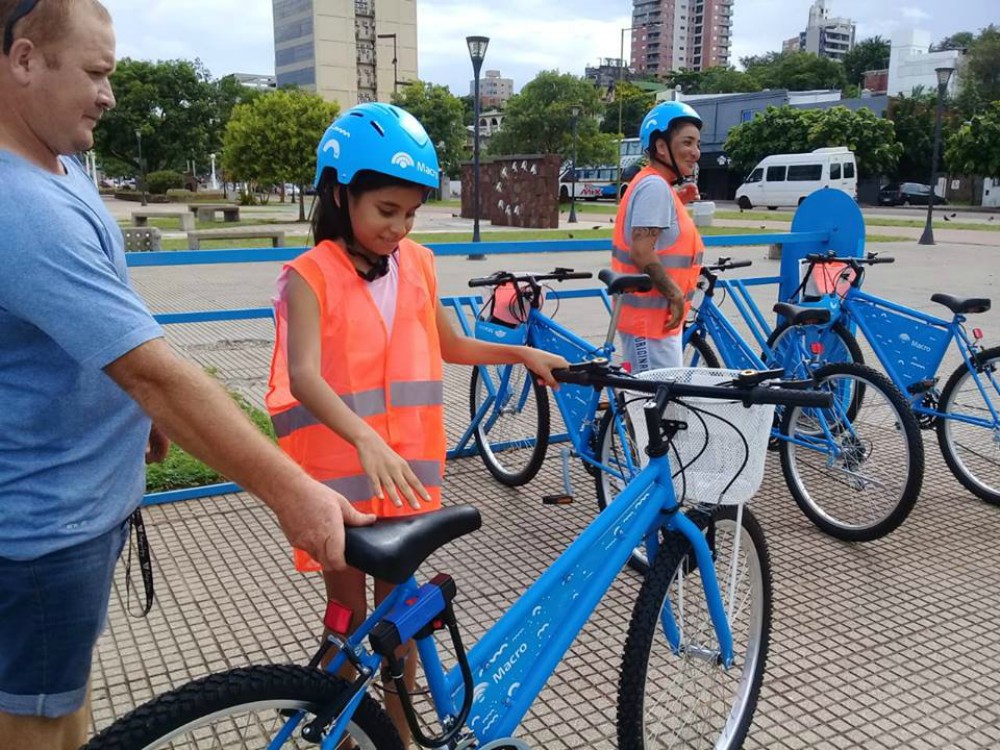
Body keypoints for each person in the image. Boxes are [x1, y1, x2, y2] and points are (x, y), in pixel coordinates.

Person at [0, 2, 374, 748]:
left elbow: (104, 322)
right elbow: (154, 372)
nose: (109, 95)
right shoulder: (20, 207)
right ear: (25, 59)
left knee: (65, 706)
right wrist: (292, 491)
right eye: (96, 73)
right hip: (44, 535)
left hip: (78, 511)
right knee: (36, 725)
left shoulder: (58, 166)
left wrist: (138, 413)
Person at [265, 102, 568, 745]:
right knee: (346, 619)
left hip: (404, 474)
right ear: (340, 194)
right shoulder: (308, 277)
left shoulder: (418, 264)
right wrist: (364, 438)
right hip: (342, 481)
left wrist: (520, 352)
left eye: (410, 213)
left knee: (399, 622)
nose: (399, 228)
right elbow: (304, 376)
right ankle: (332, 724)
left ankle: (397, 737)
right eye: (386, 210)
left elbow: (449, 345)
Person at [611, 101, 705, 373]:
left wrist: (678, 200)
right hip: (649, 324)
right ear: (661, 146)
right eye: (687, 142)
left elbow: (660, 236)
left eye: (697, 144)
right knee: (653, 399)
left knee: (658, 397)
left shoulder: (656, 185)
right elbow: (641, 250)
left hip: (655, 324)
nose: (696, 152)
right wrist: (674, 294)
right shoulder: (654, 186)